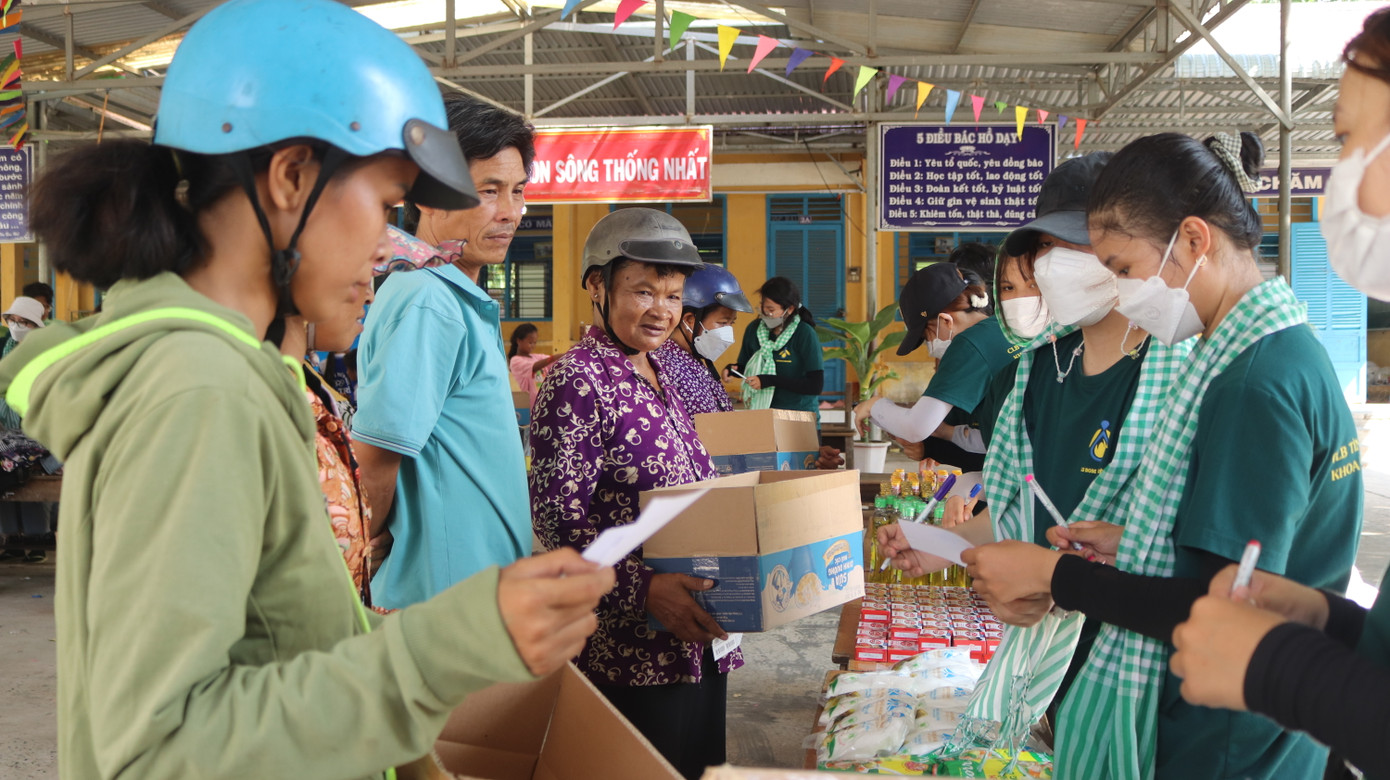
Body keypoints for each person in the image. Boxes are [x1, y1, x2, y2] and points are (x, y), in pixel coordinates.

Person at [1, 2, 614, 777]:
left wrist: (460, 646)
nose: (387, 245)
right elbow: (158, 751)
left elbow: (288, 643)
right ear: (292, 177)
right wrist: (443, 647)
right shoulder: (201, 391)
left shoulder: (240, 376)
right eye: (385, 206)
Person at [950, 131, 1361, 779]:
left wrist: (1055, 576)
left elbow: (1220, 606)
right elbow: (1249, 560)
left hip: (1225, 738)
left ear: (1194, 240)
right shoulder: (1281, 352)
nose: (1122, 291)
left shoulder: (1252, 384)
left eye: (1123, 268)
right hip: (1258, 723)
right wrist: (1138, 543)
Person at [1167, 10, 1390, 779]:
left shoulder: (1257, 376)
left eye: (1356, 142)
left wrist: (1276, 665)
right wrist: (1328, 620)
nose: (1344, 178)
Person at [530, 208, 739, 780]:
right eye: (643, 291)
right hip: (631, 651)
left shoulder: (662, 370)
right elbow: (557, 524)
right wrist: (643, 589)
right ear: (597, 287)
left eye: (672, 296)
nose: (661, 311)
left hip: (699, 638)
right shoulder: (577, 379)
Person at [352, 92, 536, 608]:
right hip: (444, 599)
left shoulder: (452, 296)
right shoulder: (429, 300)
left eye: (518, 191)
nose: (510, 213)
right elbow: (377, 457)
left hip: (472, 593)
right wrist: (362, 548)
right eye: (488, 191)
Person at [852, 263, 1010, 473]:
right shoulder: (1003, 327)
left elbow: (916, 427)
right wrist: (940, 438)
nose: (929, 346)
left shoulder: (968, 345)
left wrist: (874, 406)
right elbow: (991, 436)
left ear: (945, 321)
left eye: (926, 336)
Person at [655, 262, 752, 416]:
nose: (728, 331)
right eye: (722, 322)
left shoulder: (694, 361)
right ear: (689, 320)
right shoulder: (669, 367)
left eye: (731, 323)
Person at [727, 276, 823, 414]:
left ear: (789, 309)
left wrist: (769, 380)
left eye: (771, 309)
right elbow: (746, 367)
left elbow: (815, 386)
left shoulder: (804, 333)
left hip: (798, 415)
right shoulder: (753, 329)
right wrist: (733, 370)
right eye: (763, 307)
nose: (765, 313)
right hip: (762, 413)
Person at [507, 322, 557, 408]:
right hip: (531, 406)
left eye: (535, 342)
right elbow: (534, 366)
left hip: (544, 402)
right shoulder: (515, 361)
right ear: (519, 341)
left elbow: (552, 361)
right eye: (530, 343)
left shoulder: (536, 357)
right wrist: (553, 358)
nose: (533, 346)